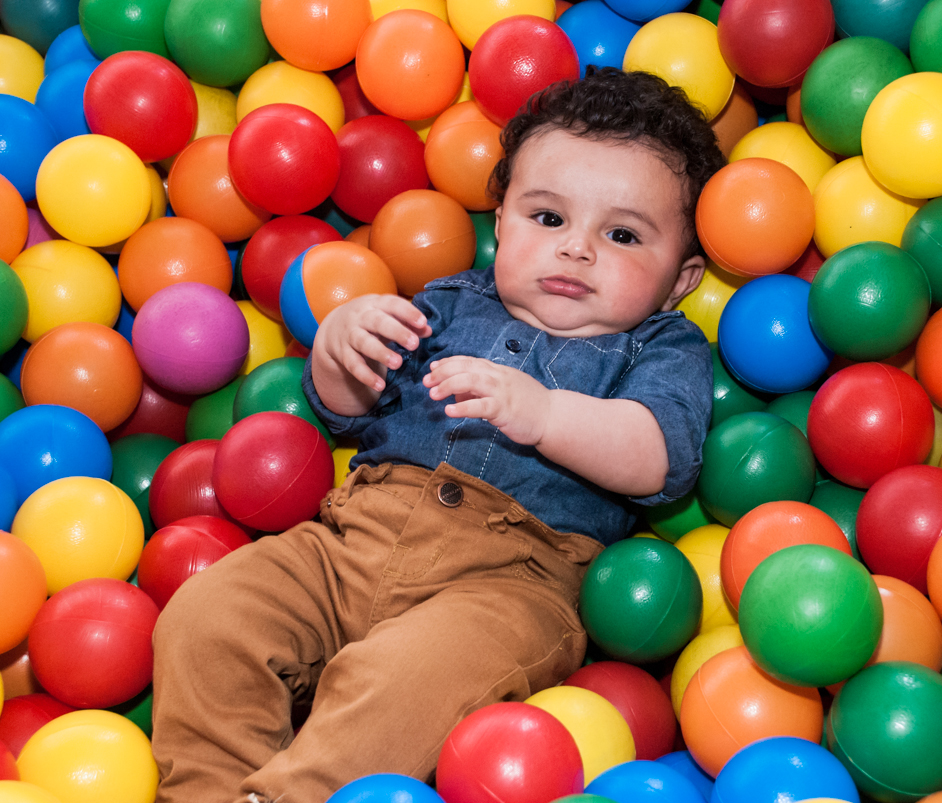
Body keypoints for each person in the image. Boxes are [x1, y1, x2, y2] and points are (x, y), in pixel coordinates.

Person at [150, 66, 725, 803]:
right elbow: (347, 414)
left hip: (511, 584)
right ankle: (207, 791)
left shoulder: (661, 346)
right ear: (501, 218)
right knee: (209, 613)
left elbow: (659, 459)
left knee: (404, 683)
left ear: (681, 278)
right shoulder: (450, 303)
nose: (576, 249)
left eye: (621, 234)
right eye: (547, 218)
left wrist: (547, 415)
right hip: (353, 541)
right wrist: (338, 350)